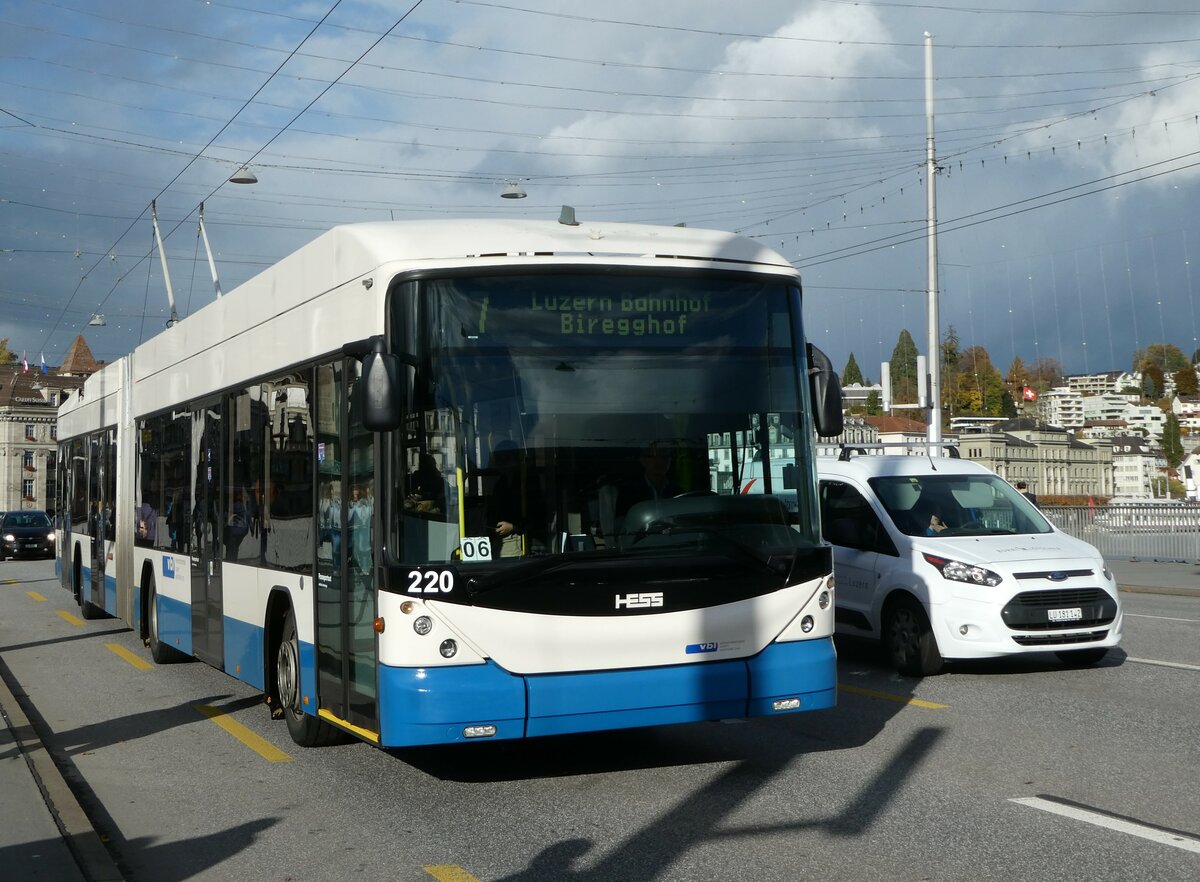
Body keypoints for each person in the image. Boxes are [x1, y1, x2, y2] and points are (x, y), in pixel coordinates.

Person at [486, 441, 546, 558]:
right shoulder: (501, 483)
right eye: (499, 460)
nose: (502, 465)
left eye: (505, 460)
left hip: (518, 539)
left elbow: (538, 515)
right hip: (498, 539)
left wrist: (513, 527)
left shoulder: (528, 482)